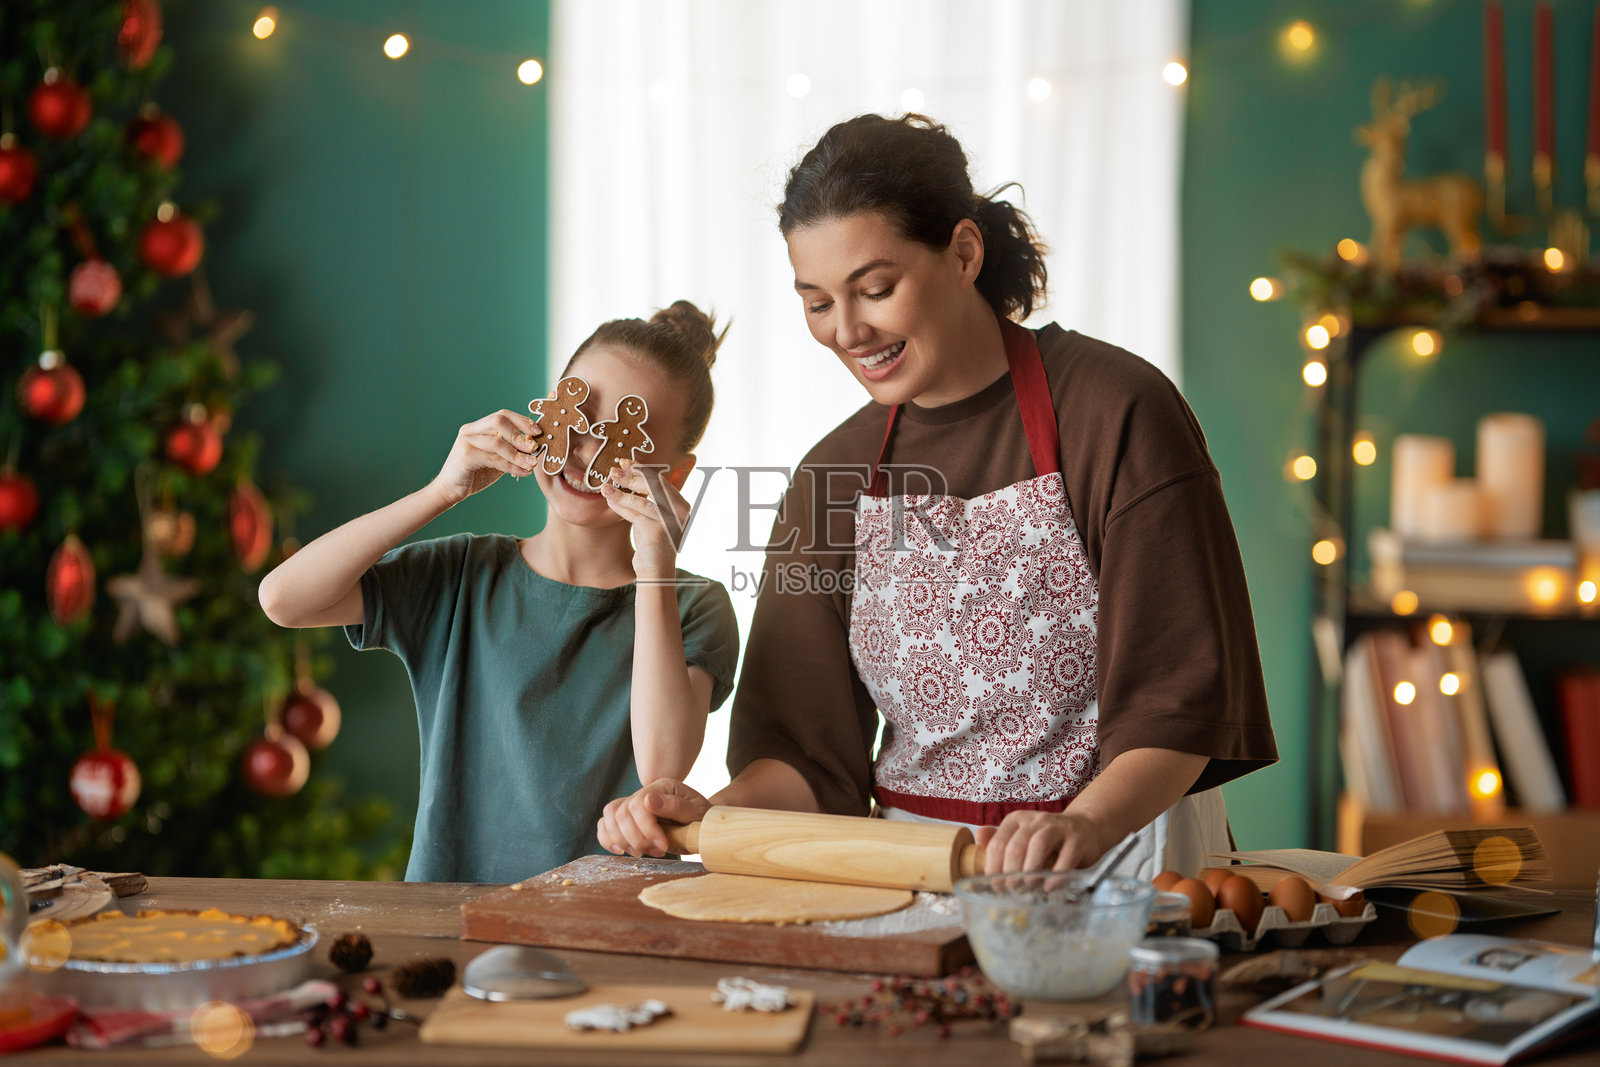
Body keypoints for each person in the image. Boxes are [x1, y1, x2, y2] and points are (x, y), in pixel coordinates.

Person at [597, 114, 1276, 880]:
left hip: (1124, 859)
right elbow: (805, 756)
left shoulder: (1116, 410)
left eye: (875, 290)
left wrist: (1087, 823)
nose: (848, 331)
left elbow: (1177, 701)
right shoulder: (831, 474)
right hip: (918, 874)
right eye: (817, 303)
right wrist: (710, 812)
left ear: (963, 253)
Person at [259, 302, 740, 882]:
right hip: (450, 914)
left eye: (624, 439)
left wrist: (657, 563)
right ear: (546, 410)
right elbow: (283, 599)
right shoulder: (464, 574)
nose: (587, 454)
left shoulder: (694, 606)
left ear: (676, 475)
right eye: (577, 417)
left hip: (609, 916)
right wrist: (443, 490)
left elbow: (662, 768)